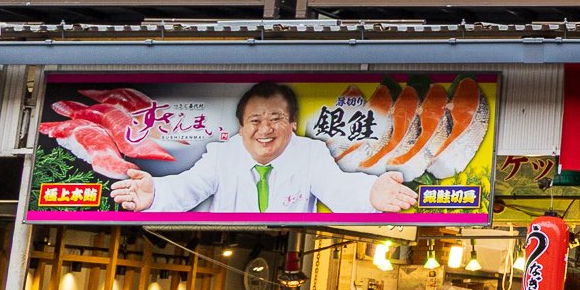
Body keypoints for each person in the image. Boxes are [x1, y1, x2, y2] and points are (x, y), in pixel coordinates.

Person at [112, 81, 417, 214]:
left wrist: (370, 194)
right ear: (241, 127)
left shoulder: (309, 153)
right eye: (255, 121)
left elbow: (337, 187)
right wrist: (156, 195)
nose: (265, 130)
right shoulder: (222, 154)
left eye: (276, 119)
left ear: (293, 123)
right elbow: (190, 186)